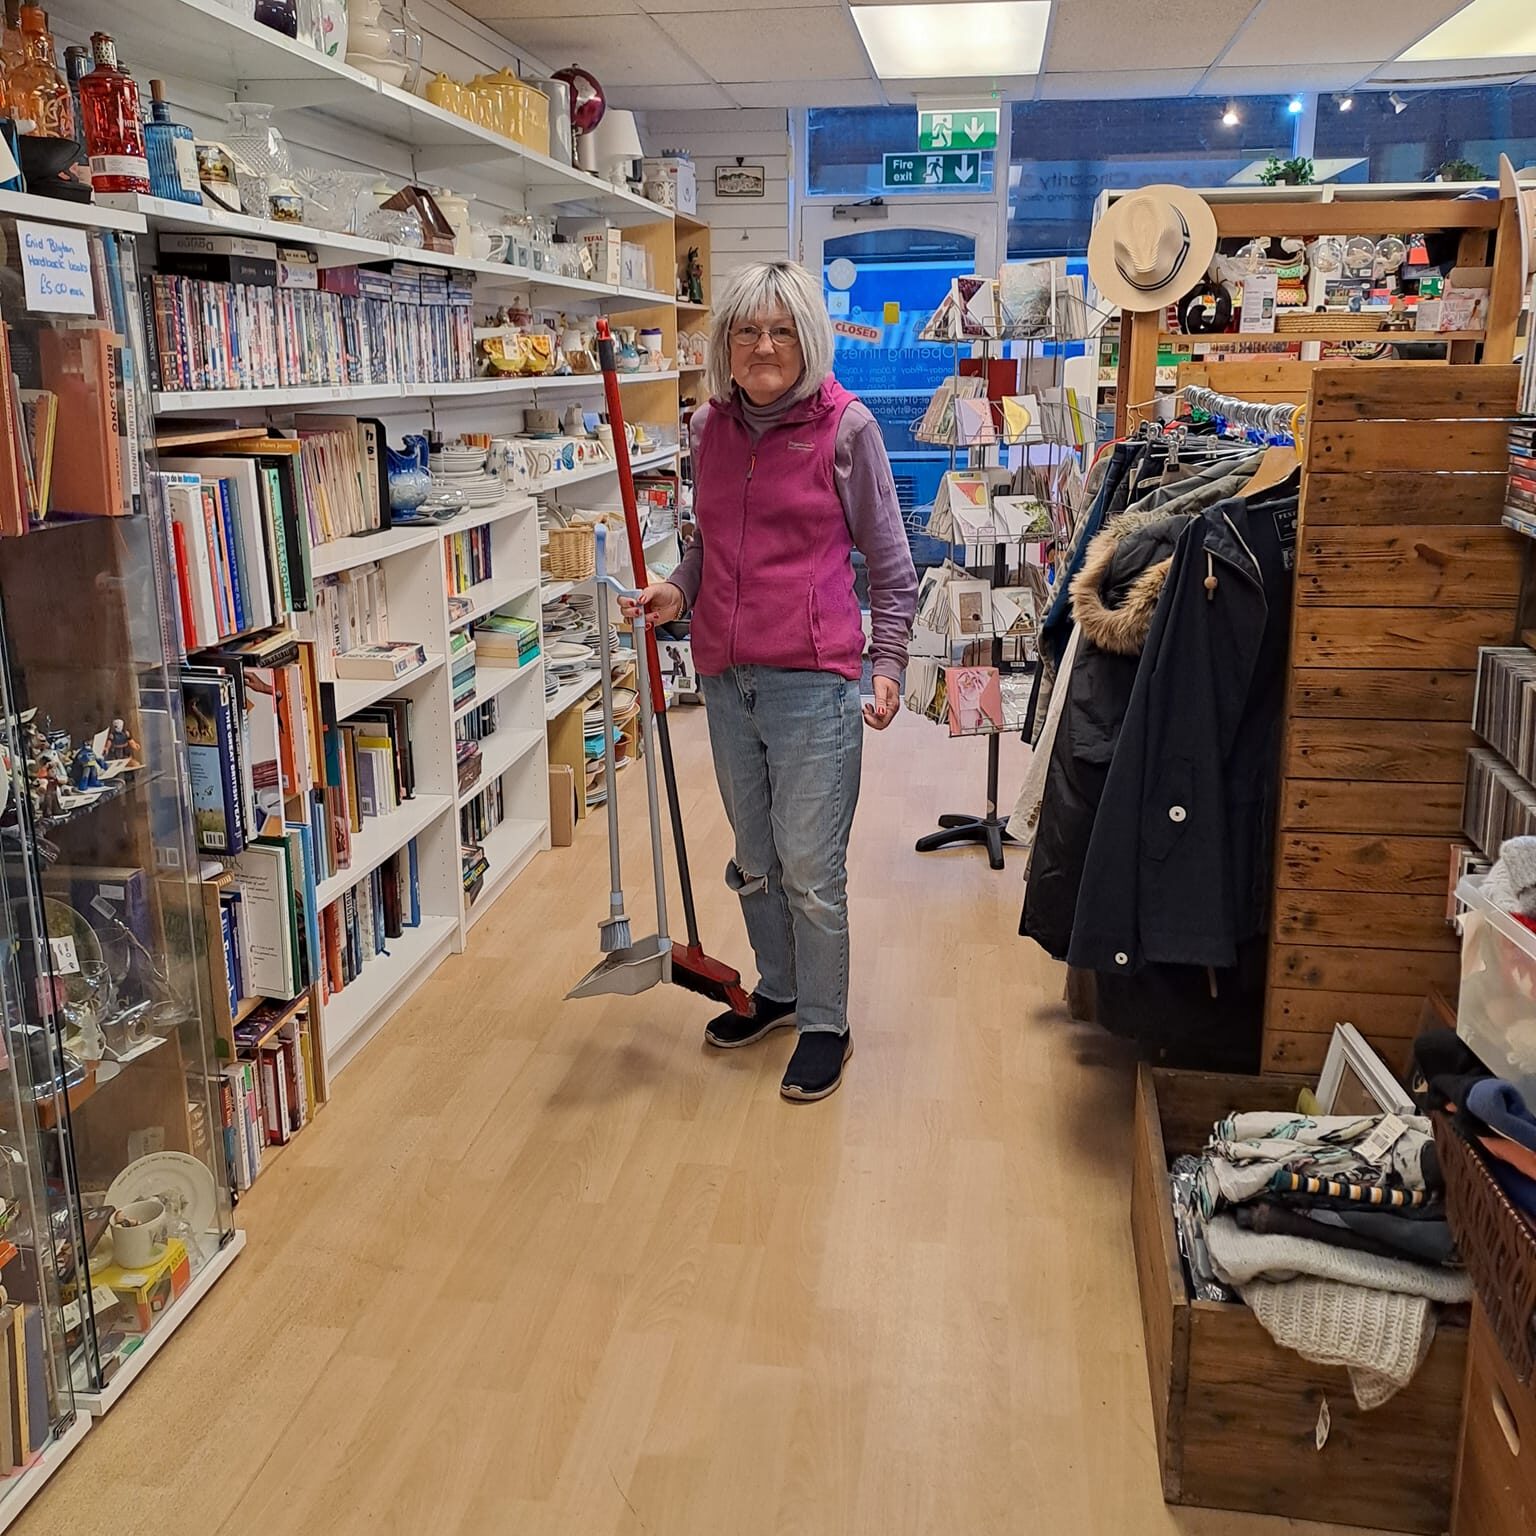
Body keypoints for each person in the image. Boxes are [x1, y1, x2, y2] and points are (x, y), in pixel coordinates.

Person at [624, 260, 917, 1103]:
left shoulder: (846, 430)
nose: (763, 346)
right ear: (724, 345)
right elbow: (709, 543)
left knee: (809, 868)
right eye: (747, 331)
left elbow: (892, 569)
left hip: (813, 683)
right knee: (754, 859)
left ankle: (826, 1020)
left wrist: (888, 662)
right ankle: (779, 990)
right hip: (725, 676)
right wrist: (676, 589)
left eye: (782, 329)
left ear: (809, 340)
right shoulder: (709, 428)